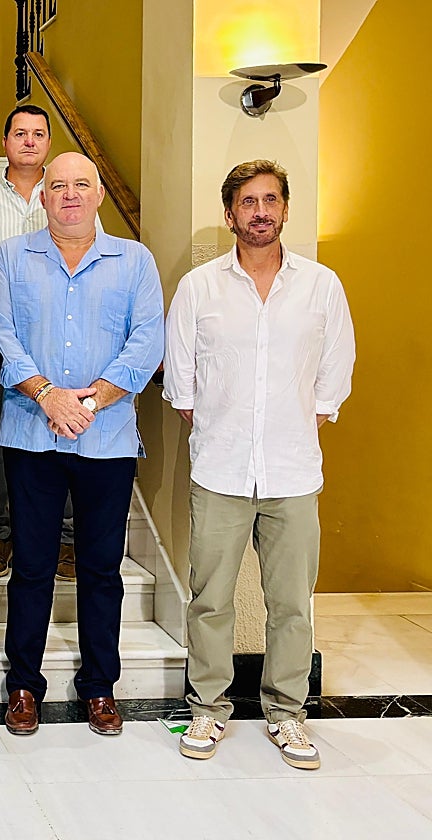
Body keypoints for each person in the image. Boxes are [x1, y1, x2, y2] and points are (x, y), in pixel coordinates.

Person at [164, 160, 355, 769]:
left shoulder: (322, 286)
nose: (261, 211)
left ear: (286, 210)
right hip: (218, 472)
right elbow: (183, 384)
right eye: (248, 201)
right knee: (210, 599)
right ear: (230, 214)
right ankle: (208, 710)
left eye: (271, 199)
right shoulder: (199, 287)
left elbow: (333, 377)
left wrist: (294, 426)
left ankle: (288, 715)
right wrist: (226, 427)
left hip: (293, 474)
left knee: (293, 603)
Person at [0, 152, 164, 739]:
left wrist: (92, 399)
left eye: (80, 185)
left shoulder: (135, 261)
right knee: (32, 566)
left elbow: (146, 340)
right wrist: (46, 394)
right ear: (42, 197)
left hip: (106, 439)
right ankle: (23, 686)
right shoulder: (11, 257)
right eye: (57, 185)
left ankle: (100, 687)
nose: (68, 195)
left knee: (101, 569)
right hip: (31, 432)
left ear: (98, 195)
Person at [0, 105, 98, 582]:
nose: (28, 141)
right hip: (0, 340)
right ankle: (0, 532)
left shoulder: (70, 196)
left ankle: (63, 539)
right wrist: (9, 281)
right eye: (19, 132)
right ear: (4, 141)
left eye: (38, 134)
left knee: (63, 438)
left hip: (61, 341)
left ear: (48, 143)